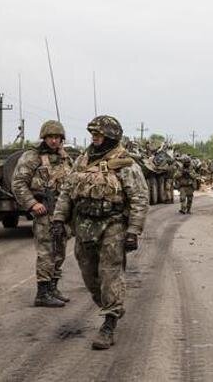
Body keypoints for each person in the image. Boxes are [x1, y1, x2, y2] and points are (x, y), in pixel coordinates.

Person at [51, 115, 149, 350]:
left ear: (111, 135)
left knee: (109, 275)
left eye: (99, 134)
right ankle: (111, 305)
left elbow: (139, 198)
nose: (95, 138)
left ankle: (109, 322)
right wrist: (58, 218)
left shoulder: (126, 164)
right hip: (83, 226)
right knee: (88, 275)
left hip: (112, 225)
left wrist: (133, 231)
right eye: (93, 134)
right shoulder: (82, 160)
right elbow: (66, 191)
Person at [12, 121, 73, 307]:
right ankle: (42, 293)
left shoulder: (64, 157)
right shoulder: (32, 157)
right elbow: (18, 183)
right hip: (44, 210)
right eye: (50, 137)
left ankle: (53, 287)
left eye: (57, 138)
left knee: (60, 251)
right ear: (44, 138)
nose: (54, 141)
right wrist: (32, 204)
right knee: (46, 251)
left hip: (61, 212)